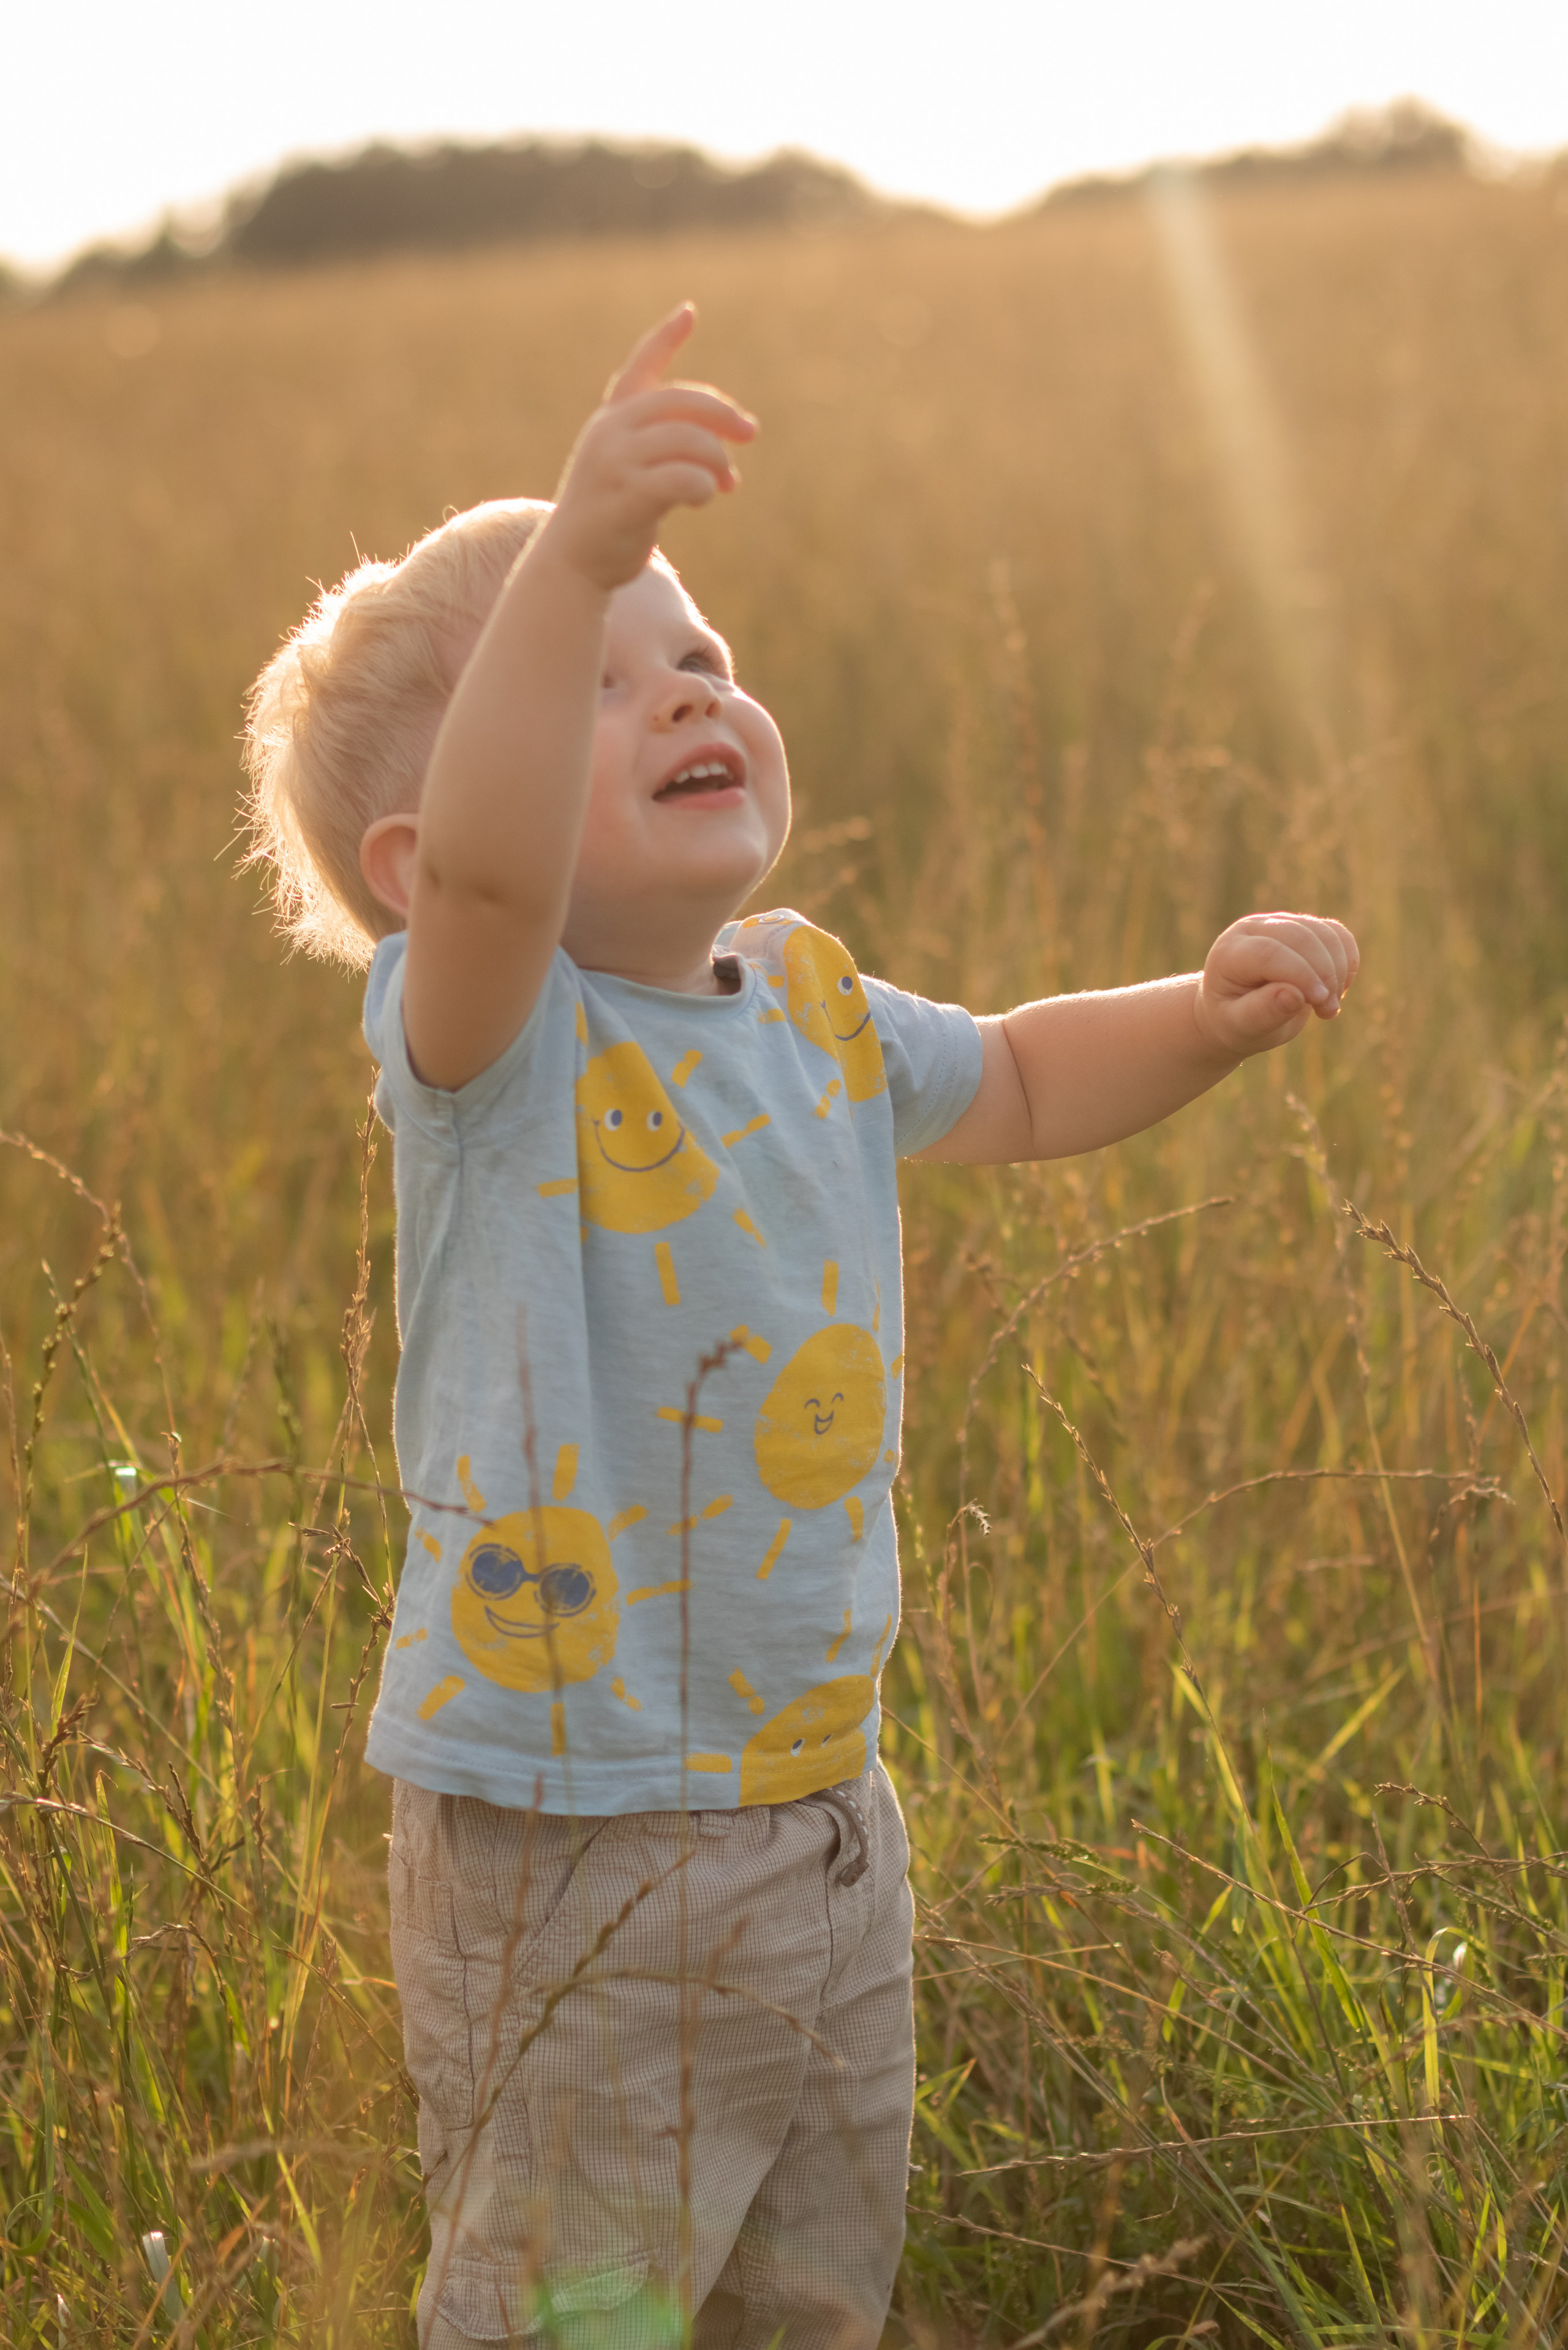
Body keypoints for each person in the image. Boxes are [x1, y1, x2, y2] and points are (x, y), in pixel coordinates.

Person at [241, 304, 1357, 2349]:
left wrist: (1201, 1018)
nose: (682, 689)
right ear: (415, 875)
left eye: (699, 656)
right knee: (581, 2305)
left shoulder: (818, 1004)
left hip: (822, 1806)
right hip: (575, 1829)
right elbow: (502, 879)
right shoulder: (492, 1036)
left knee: (806, 2285)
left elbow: (1019, 1077)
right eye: (590, 676)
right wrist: (569, 541)